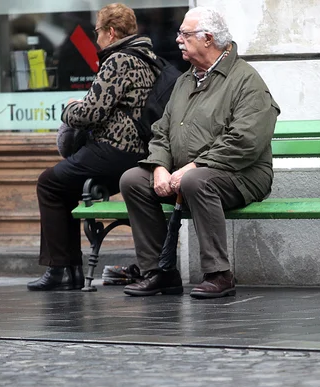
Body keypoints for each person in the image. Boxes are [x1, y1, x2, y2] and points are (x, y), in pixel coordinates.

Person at [119, 7, 280, 299]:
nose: (178, 39)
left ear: (208, 38)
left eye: (185, 33)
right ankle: (160, 271)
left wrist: (193, 167)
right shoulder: (185, 80)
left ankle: (219, 274)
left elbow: (246, 141)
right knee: (133, 180)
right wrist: (159, 167)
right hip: (188, 173)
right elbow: (162, 131)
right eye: (180, 33)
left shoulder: (246, 80)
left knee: (197, 181)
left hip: (242, 175)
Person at [27, 4, 157, 291]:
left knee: (49, 183)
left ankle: (61, 270)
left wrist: (68, 110)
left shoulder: (119, 60)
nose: (96, 37)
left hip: (113, 151)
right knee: (64, 185)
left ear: (110, 32)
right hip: (137, 153)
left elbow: (90, 114)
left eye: (97, 31)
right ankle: (68, 271)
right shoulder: (147, 58)